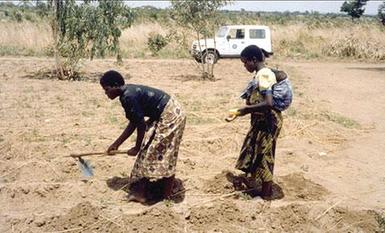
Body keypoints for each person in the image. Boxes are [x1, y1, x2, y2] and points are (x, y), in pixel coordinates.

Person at [100, 70, 186, 203]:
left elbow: (140, 126)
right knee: (151, 150)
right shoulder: (127, 94)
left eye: (106, 89)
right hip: (166, 112)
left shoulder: (128, 97)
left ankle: (163, 194)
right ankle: (156, 189)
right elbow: (134, 122)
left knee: (155, 151)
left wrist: (137, 147)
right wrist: (117, 144)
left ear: (115, 85)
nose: (106, 93)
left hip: (171, 115)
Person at [227, 45, 292, 199]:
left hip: (269, 122)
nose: (244, 66)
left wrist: (245, 110)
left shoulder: (263, 75)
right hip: (262, 121)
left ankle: (266, 194)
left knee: (264, 155)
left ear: (253, 60)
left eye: (245, 63)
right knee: (254, 149)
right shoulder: (262, 73)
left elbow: (268, 103)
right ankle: (256, 183)